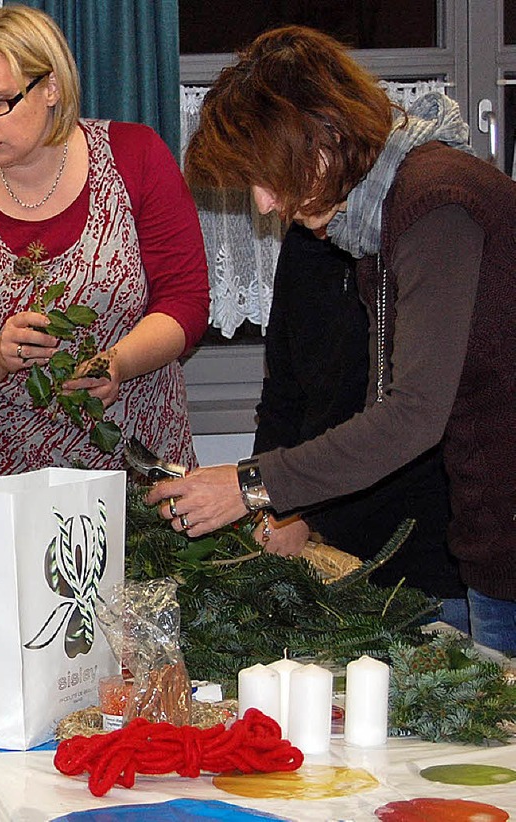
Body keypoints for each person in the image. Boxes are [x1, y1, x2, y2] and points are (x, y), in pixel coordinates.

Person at [148, 26, 515, 653]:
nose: (267, 205)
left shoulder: (437, 203)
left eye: (267, 177)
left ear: (322, 135)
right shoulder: (382, 222)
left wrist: (247, 485)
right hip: (489, 540)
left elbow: (412, 416)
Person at [0, 5, 209, 479]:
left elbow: (186, 304)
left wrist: (118, 363)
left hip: (139, 465)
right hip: (7, 482)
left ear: (51, 87)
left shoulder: (136, 157)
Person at [254, 222, 468, 630]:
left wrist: (306, 516)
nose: (266, 203)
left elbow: (408, 425)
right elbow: (283, 396)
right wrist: (267, 505)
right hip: (324, 553)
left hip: (427, 560)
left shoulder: (418, 239)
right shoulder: (303, 245)